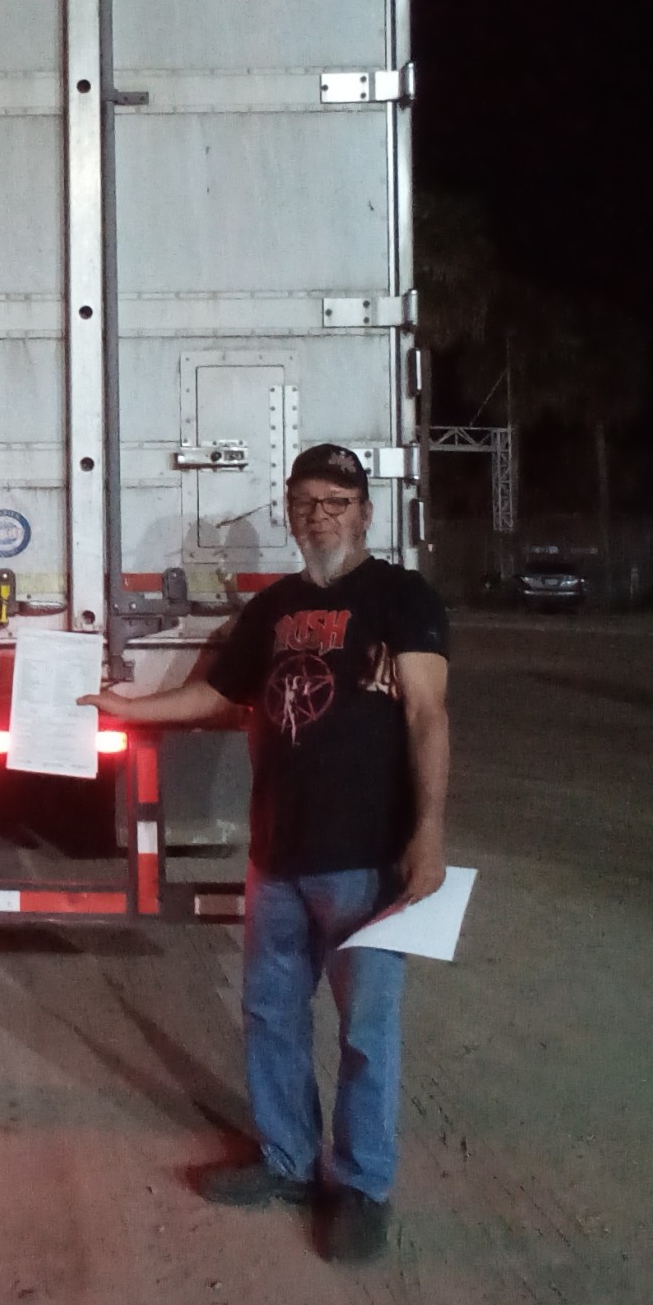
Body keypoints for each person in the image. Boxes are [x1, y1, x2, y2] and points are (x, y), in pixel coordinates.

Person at [84, 444, 450, 1262]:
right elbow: (214, 694)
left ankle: (360, 1186)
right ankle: (286, 1159)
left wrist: (427, 832)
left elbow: (428, 714)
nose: (318, 516)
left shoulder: (403, 598)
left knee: (367, 1030)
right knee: (271, 1015)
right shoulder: (273, 608)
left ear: (365, 512)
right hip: (277, 856)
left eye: (335, 501)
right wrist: (127, 708)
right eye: (304, 502)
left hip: (367, 858)